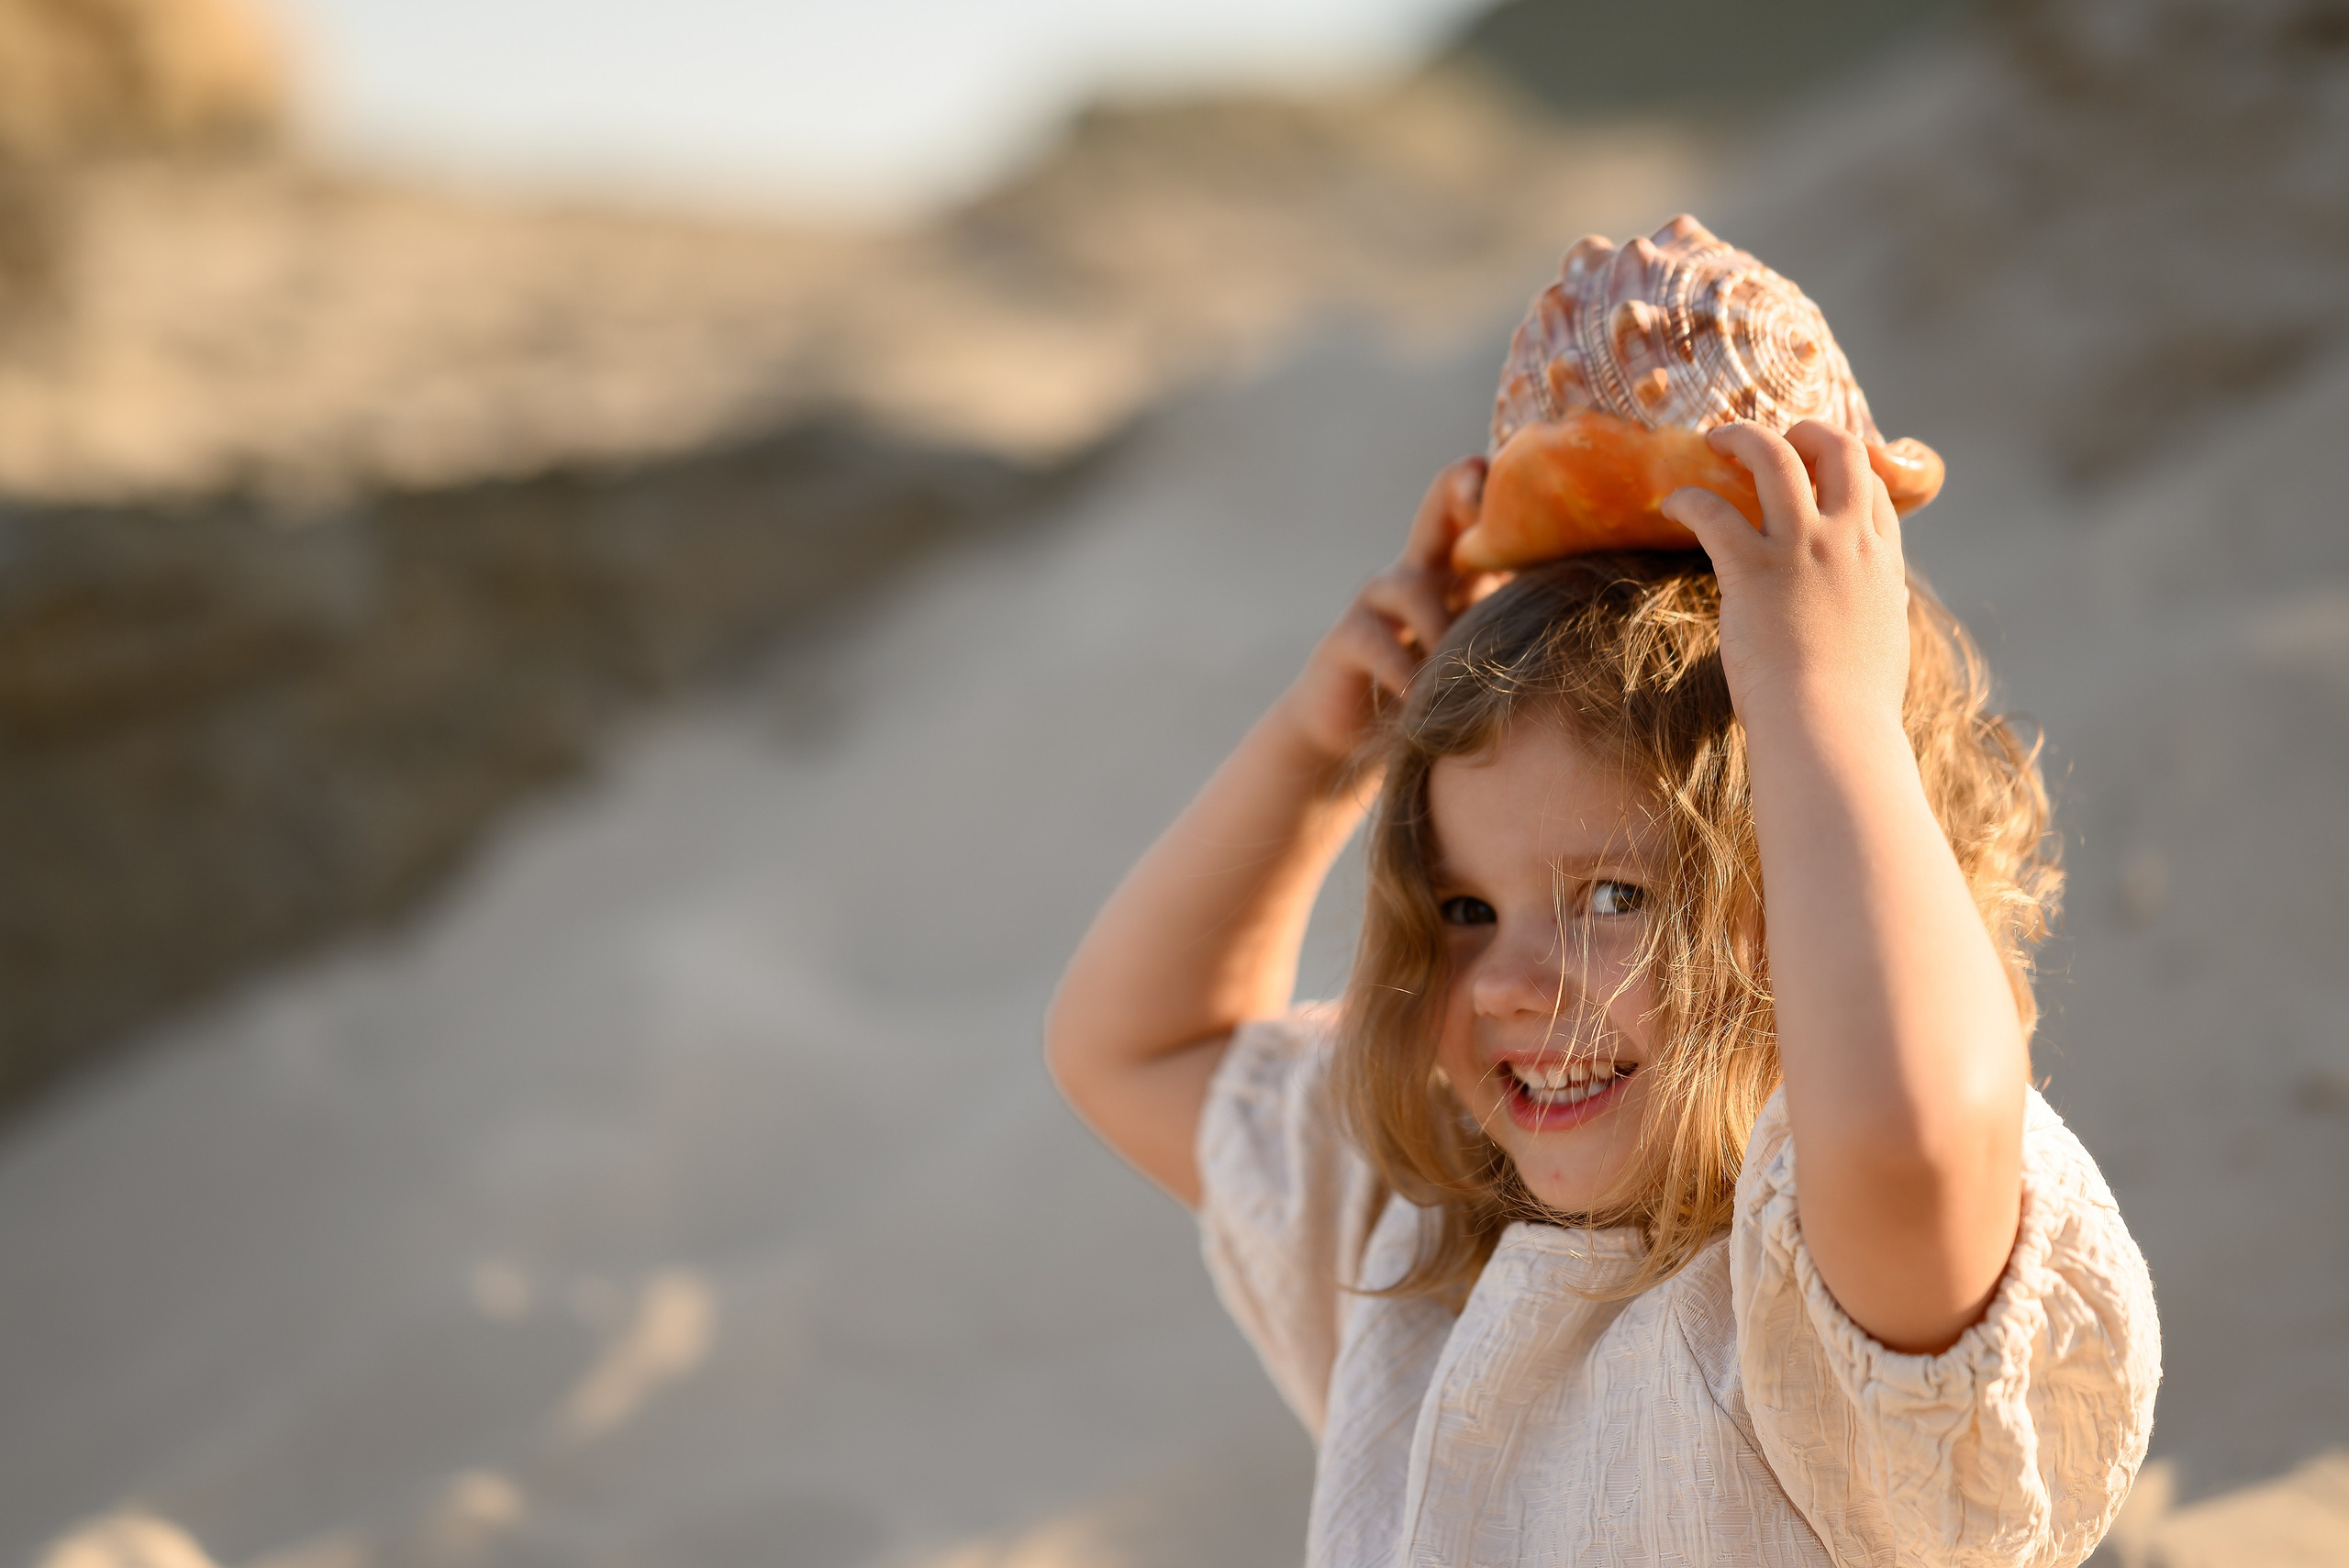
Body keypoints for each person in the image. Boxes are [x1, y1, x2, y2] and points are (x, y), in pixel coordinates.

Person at [1045, 419, 2161, 1566]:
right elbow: (1136, 1045)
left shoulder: (1839, 1317)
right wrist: (1316, 748)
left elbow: (1909, 1130)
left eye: (1615, 896)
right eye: (1463, 908)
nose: (1507, 984)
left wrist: (1824, 700)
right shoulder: (1422, 1235)